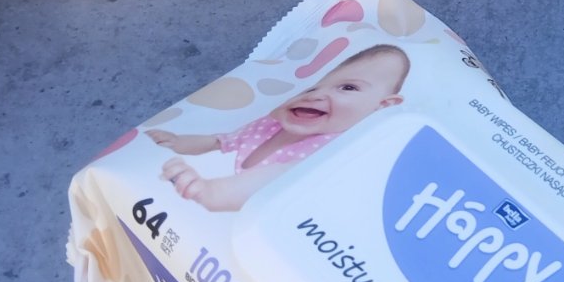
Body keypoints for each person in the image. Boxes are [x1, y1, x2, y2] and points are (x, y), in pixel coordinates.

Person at [149, 44, 409, 212]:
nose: (315, 95)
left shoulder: (338, 146)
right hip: (244, 201)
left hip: (287, 214)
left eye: (348, 88)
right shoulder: (269, 125)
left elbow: (275, 179)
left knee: (289, 172)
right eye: (311, 87)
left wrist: (210, 192)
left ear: (382, 106)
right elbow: (218, 141)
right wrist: (177, 142)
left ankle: (215, 193)